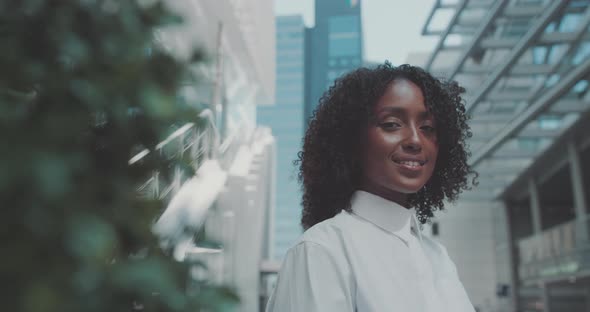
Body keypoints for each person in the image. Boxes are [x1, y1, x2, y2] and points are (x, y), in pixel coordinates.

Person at [265, 62, 478, 312]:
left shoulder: (438, 256)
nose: (415, 140)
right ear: (352, 139)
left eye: (427, 128)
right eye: (391, 124)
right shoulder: (321, 251)